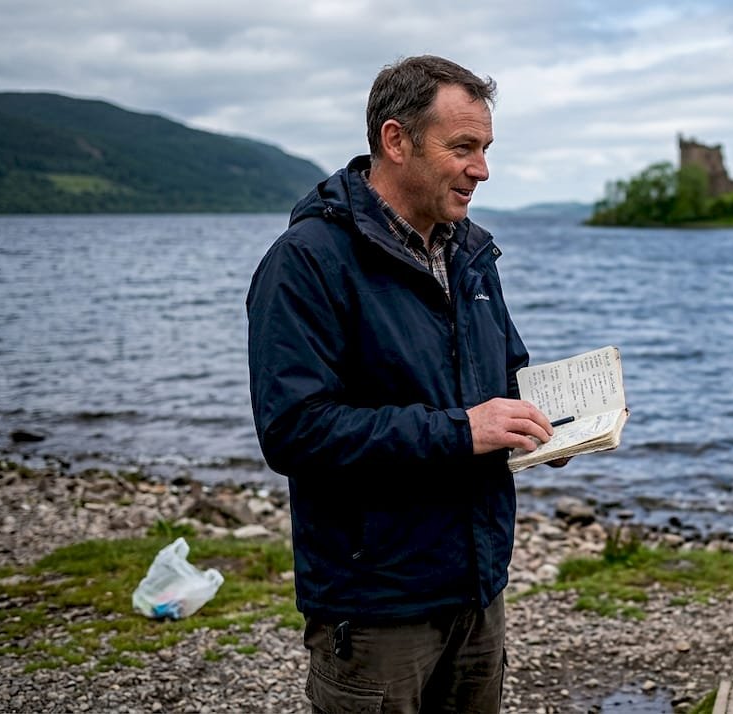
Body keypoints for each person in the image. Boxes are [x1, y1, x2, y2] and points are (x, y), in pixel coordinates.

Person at [246, 55, 558, 713]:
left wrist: (555, 420)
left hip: (477, 586)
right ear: (396, 140)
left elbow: (505, 376)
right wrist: (462, 430)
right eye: (463, 148)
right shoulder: (307, 262)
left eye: (486, 148)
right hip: (377, 604)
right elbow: (294, 429)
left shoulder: (470, 253)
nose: (482, 169)